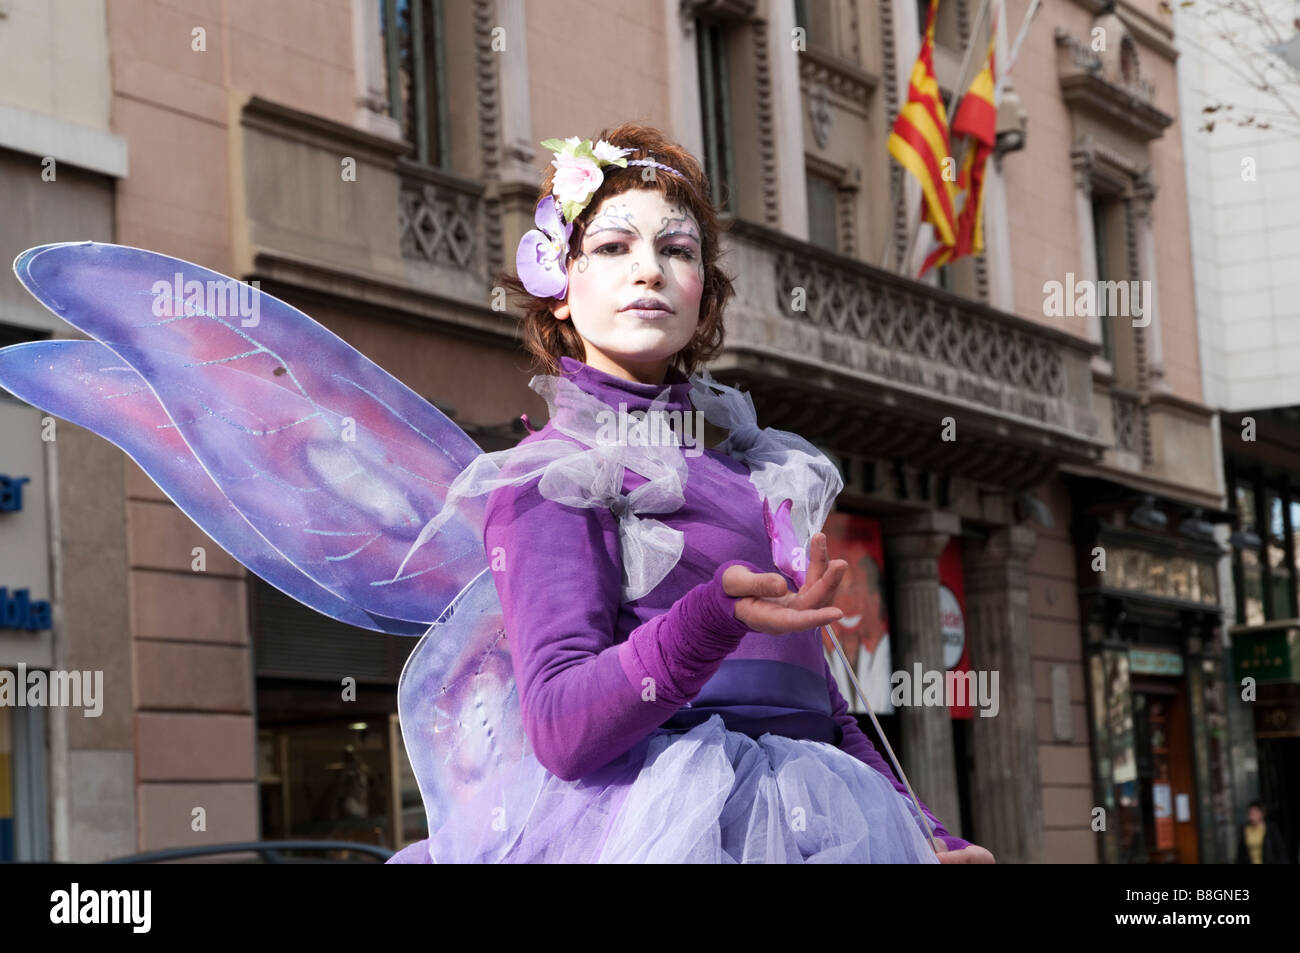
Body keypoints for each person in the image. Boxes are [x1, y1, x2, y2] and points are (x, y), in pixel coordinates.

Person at [388, 122, 993, 863]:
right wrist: (713, 616)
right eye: (613, 247)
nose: (649, 270)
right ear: (558, 292)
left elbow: (822, 706)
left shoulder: (755, 473)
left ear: (704, 298)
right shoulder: (549, 479)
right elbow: (561, 731)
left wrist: (924, 831)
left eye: (677, 250)